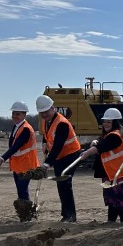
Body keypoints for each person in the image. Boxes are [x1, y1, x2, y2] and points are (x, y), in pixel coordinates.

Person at [78, 108, 123, 223]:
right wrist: (96, 141)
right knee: (113, 199)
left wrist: (87, 152)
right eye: (104, 122)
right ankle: (111, 221)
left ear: (115, 122)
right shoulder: (115, 133)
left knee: (122, 199)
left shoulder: (115, 136)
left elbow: (102, 146)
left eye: (109, 122)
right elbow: (102, 141)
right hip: (116, 171)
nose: (106, 124)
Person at [35, 94, 81, 222]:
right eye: (41, 113)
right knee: (61, 185)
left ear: (53, 108)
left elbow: (58, 146)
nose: (44, 115)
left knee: (65, 184)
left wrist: (47, 164)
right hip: (60, 157)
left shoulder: (62, 124)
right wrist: (44, 142)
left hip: (70, 155)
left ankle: (70, 216)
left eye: (46, 112)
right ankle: (66, 214)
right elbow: (46, 133)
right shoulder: (46, 121)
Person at [0, 101, 40, 221]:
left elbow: (16, 147)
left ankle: (26, 216)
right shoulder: (17, 127)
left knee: (23, 191)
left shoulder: (25, 129)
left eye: (18, 114)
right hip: (18, 164)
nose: (15, 116)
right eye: (14, 113)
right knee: (21, 191)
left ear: (24, 115)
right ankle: (24, 215)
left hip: (26, 165)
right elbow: (13, 146)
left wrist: (2, 158)